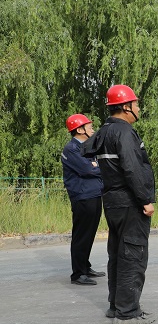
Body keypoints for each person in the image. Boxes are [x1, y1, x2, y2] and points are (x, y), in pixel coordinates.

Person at [82, 85, 155, 324]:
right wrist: (145, 200)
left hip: (112, 202)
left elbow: (86, 149)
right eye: (136, 104)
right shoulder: (124, 132)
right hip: (130, 202)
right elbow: (132, 168)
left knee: (117, 255)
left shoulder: (103, 131)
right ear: (126, 107)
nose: (138, 108)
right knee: (133, 256)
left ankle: (116, 306)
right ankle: (128, 312)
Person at [62, 114, 104, 286]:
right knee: (81, 235)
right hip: (83, 197)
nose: (93, 130)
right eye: (89, 127)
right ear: (80, 130)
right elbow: (89, 170)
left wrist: (96, 166)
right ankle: (78, 274)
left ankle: (85, 266)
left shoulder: (87, 147)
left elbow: (95, 167)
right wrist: (96, 166)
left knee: (90, 233)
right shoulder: (71, 149)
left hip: (94, 194)